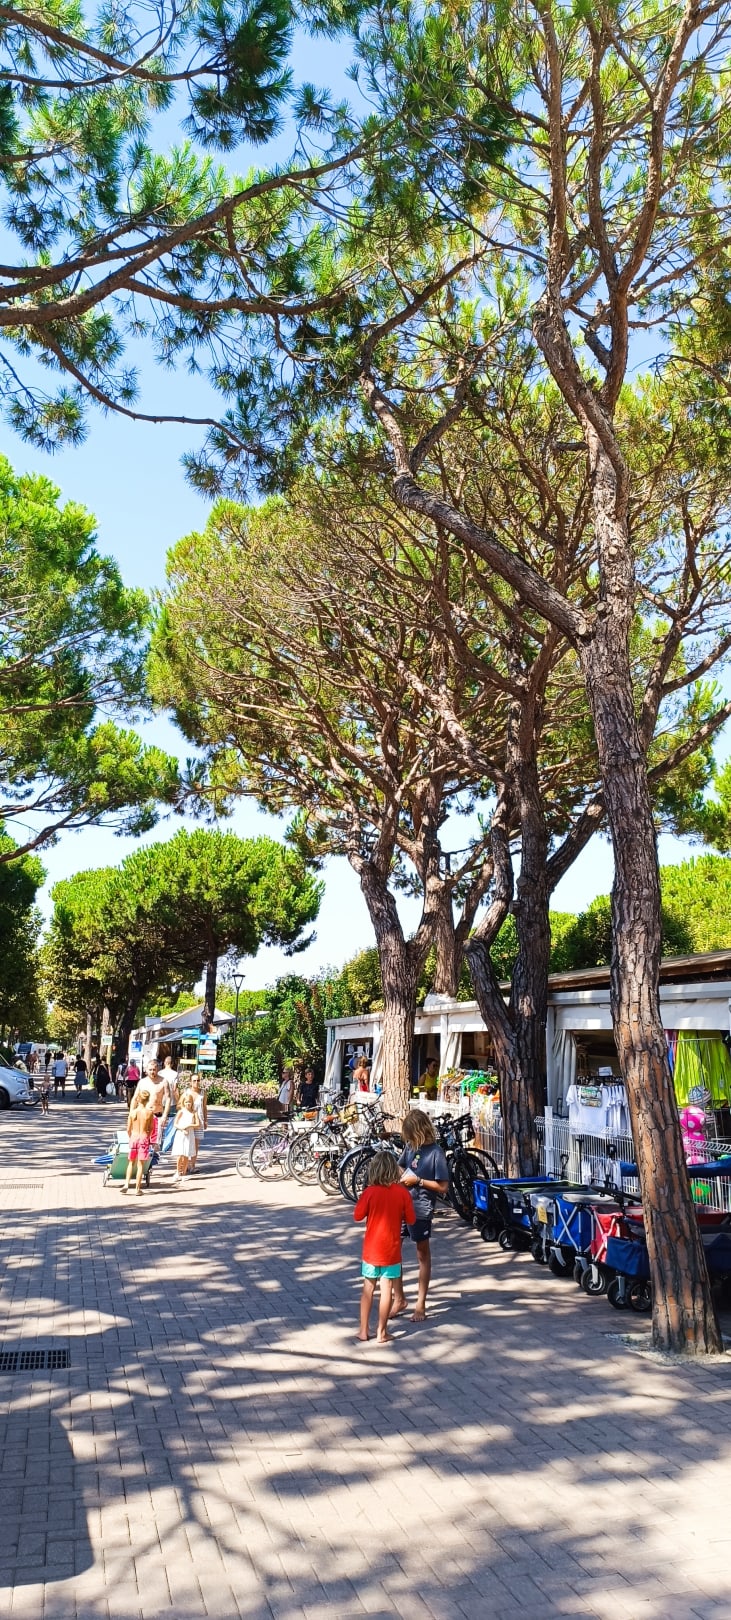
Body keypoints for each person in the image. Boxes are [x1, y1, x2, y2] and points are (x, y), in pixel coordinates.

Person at [390, 1110, 449, 1324]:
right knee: (393, 1250)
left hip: (421, 1207)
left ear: (419, 1130)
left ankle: (420, 1303)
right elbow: (400, 1164)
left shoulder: (436, 1153)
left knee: (422, 1254)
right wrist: (402, 1174)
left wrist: (419, 1181)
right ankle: (399, 1298)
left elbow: (443, 1187)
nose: (409, 1139)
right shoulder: (411, 1146)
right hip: (401, 1203)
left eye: (410, 1134)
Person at [353, 1152, 416, 1344]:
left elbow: (357, 1215)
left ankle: (363, 1330)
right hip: (392, 1250)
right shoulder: (402, 1193)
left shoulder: (369, 1192)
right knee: (386, 1288)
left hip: (371, 1249)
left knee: (368, 1288)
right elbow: (411, 1219)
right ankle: (382, 1332)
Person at [121, 1085, 154, 1196]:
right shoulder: (149, 1113)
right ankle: (137, 1189)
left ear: (138, 1099)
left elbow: (128, 1129)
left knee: (131, 1162)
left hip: (134, 1137)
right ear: (147, 1100)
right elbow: (151, 1128)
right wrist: (147, 1137)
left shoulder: (132, 1112)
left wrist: (131, 1136)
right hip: (143, 1137)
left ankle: (126, 1184)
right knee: (140, 1165)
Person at [171, 1091, 198, 1187]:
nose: (188, 1104)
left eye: (189, 1102)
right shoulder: (181, 1112)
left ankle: (184, 1173)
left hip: (190, 1134)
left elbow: (198, 1124)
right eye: (186, 1102)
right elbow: (175, 1124)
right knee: (180, 1154)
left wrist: (189, 1125)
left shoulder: (193, 1113)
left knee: (186, 1154)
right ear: (183, 1102)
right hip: (181, 1134)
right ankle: (177, 1171)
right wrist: (182, 1129)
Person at [189, 1074, 208, 1172]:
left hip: (199, 1121)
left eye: (198, 1080)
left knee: (196, 1144)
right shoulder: (187, 1092)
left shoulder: (203, 1093)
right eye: (194, 1080)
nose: (196, 1082)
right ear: (190, 1082)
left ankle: (192, 1165)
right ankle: (185, 1165)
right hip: (188, 1121)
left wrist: (205, 1120)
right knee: (187, 1142)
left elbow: (204, 1107)